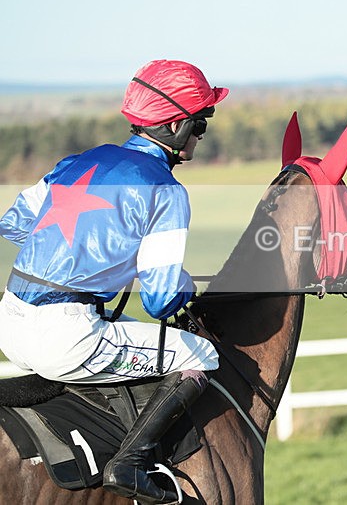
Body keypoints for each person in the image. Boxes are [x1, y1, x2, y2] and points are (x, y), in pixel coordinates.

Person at [0, 59, 227, 503]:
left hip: (11, 323)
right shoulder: (166, 189)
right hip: (65, 336)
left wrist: (84, 255)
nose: (201, 134)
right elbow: (161, 302)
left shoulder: (78, 161)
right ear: (177, 125)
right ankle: (132, 462)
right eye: (201, 123)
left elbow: (13, 224)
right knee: (200, 354)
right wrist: (182, 283)